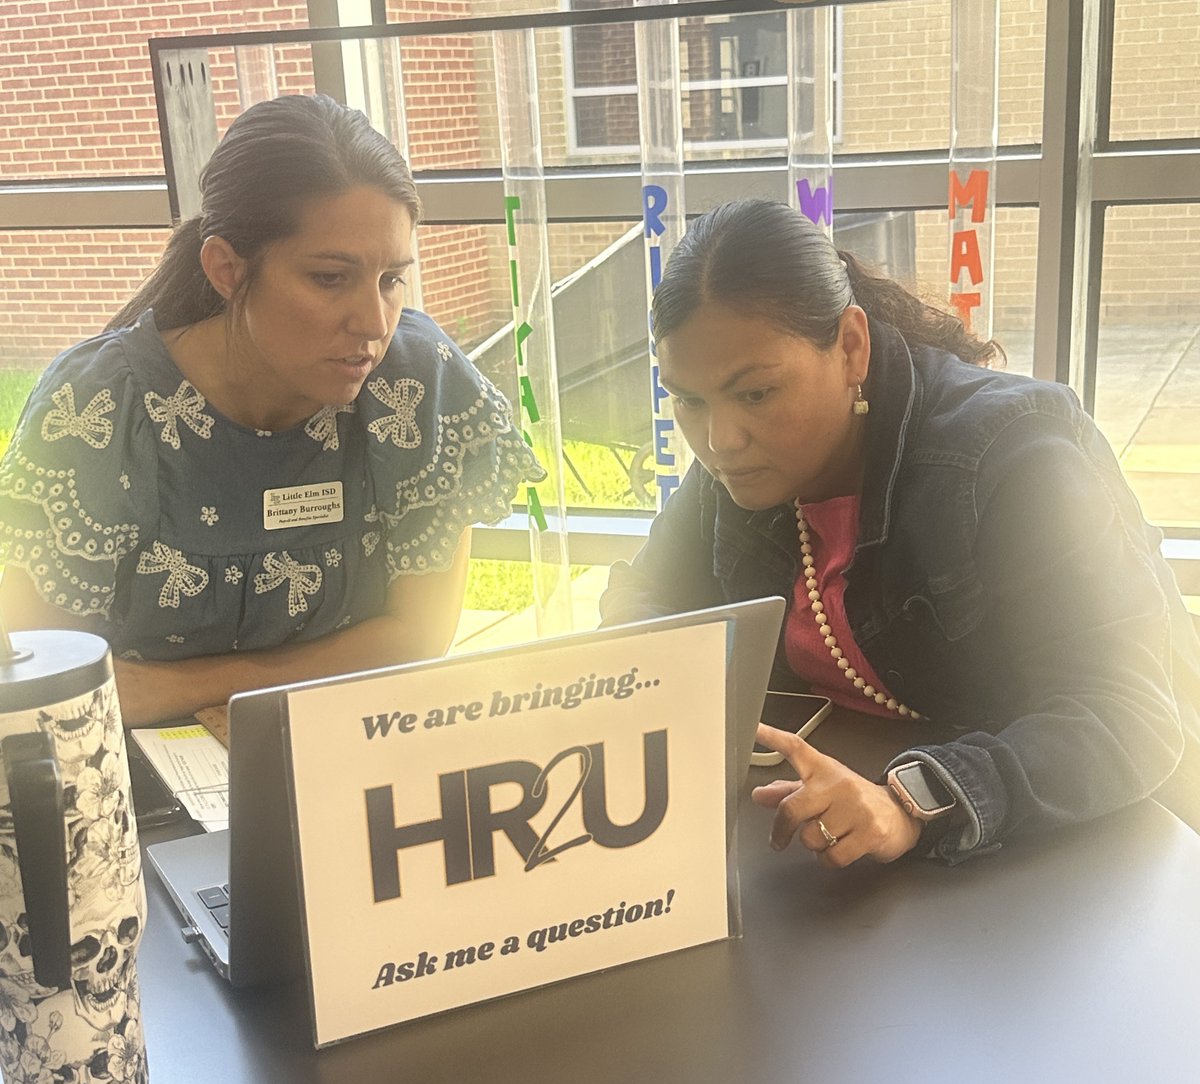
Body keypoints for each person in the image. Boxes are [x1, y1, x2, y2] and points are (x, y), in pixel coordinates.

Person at [600, 198, 1200, 867]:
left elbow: (1131, 716)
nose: (718, 441)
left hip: (1094, 847)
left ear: (851, 346)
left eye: (757, 393)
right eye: (688, 399)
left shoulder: (1014, 453)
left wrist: (911, 798)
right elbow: (648, 598)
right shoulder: (741, 462)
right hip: (849, 847)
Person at [0, 94, 544, 726]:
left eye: (392, 280)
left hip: (344, 755)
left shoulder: (416, 385)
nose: (374, 324)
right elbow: (48, 681)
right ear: (227, 269)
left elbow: (417, 638)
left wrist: (180, 689)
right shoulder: (94, 411)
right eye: (329, 278)